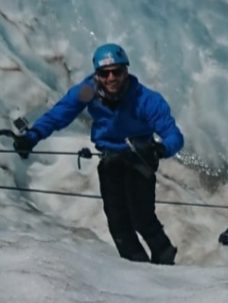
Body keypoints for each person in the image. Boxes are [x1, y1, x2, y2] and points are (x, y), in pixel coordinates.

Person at [13, 44, 184, 264]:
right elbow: (60, 114)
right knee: (117, 221)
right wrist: (32, 136)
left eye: (117, 71)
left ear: (126, 71)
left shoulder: (146, 100)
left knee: (141, 216)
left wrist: (160, 149)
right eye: (104, 73)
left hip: (139, 157)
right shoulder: (88, 91)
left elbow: (174, 136)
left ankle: (164, 255)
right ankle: (139, 269)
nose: (111, 77)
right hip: (110, 158)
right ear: (97, 75)